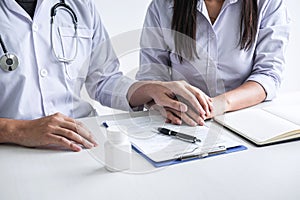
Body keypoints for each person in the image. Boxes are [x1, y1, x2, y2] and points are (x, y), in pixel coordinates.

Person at [0, 0, 212, 151]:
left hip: (83, 140)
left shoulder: (80, 6)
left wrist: (149, 89)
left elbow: (104, 79)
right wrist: (18, 130)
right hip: (12, 151)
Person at [136, 0, 291, 126]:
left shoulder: (268, 3)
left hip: (245, 118)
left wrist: (217, 105)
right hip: (184, 121)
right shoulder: (162, 6)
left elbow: (268, 75)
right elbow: (150, 77)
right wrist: (162, 104)